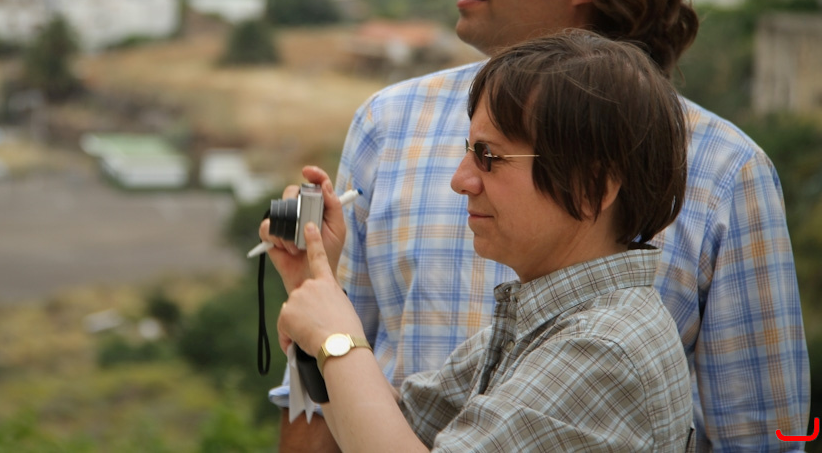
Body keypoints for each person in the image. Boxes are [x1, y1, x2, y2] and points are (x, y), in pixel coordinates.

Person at [270, 0, 809, 452]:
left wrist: (334, 339)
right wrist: (317, 310)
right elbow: (352, 401)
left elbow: (769, 436)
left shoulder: (725, 170)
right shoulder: (389, 124)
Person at [262, 31, 695, 452]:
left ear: (591, 187)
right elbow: (392, 427)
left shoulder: (602, 350)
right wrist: (315, 292)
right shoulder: (556, 321)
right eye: (469, 151)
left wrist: (336, 341)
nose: (461, 180)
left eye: (488, 156)